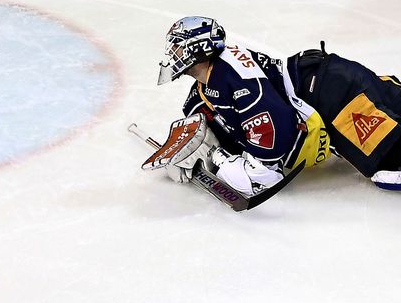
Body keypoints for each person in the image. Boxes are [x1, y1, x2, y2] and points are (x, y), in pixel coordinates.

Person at [156, 16, 401, 196]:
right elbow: (205, 119)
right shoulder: (211, 82)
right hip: (326, 78)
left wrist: (219, 160)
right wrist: (189, 149)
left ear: (198, 47)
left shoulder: (232, 76)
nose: (172, 54)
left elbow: (269, 160)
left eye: (177, 47)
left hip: (335, 95)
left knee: (390, 167)